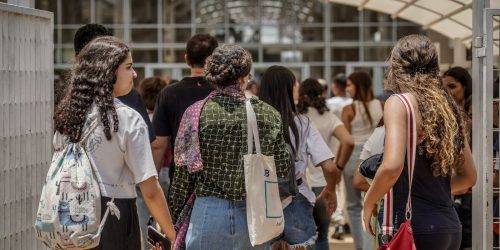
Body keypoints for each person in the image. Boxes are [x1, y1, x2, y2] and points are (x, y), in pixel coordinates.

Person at [54, 36, 175, 249]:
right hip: (113, 214)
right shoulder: (128, 118)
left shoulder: (69, 114)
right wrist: (171, 235)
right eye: (128, 67)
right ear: (108, 71)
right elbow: (150, 189)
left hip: (68, 213)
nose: (134, 74)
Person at [168, 45, 291, 249]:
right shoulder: (267, 114)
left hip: (207, 212)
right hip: (255, 214)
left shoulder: (196, 113)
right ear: (244, 76)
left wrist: (173, 215)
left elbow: (183, 175)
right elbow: (283, 165)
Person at [362, 34, 477, 250]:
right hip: (449, 227)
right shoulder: (448, 107)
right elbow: (469, 177)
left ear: (396, 65)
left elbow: (392, 166)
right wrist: (435, 189)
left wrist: (369, 202)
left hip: (413, 227)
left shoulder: (399, 103)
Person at [259, 66, 339, 249]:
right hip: (297, 199)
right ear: (288, 89)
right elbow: (330, 167)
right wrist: (331, 190)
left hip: (261, 201)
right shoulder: (303, 123)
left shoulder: (254, 122)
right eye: (295, 84)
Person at [297, 78, 354, 250]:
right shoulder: (329, 117)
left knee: (303, 238)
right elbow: (348, 141)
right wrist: (338, 167)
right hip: (324, 183)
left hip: (301, 184)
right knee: (322, 236)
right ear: (321, 94)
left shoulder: (298, 117)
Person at [74, 24, 155, 143]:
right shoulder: (129, 111)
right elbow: (145, 147)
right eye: (128, 67)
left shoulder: (67, 104)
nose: (134, 74)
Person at [152, 34, 218, 176]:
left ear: (186, 59)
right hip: (219, 181)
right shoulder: (223, 92)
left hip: (182, 179)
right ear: (215, 61)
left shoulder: (169, 93)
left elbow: (158, 144)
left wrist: (153, 181)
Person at [341, 71, 383, 250]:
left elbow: (346, 140)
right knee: (374, 201)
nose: (346, 88)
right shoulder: (381, 106)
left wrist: (338, 164)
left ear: (358, 86)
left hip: (353, 157)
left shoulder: (349, 109)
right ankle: (373, 243)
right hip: (376, 157)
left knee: (353, 206)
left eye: (349, 85)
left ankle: (361, 246)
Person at [442, 66, 473, 250]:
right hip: (455, 186)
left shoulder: (474, 112)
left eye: (452, 86)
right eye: (444, 87)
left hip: (472, 189)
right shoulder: (445, 113)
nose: (448, 92)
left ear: (465, 86)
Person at [137, 76, 168, 249]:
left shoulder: (139, 119)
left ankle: (149, 246)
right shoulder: (164, 117)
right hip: (165, 170)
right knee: (168, 218)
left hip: (144, 173)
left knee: (145, 218)